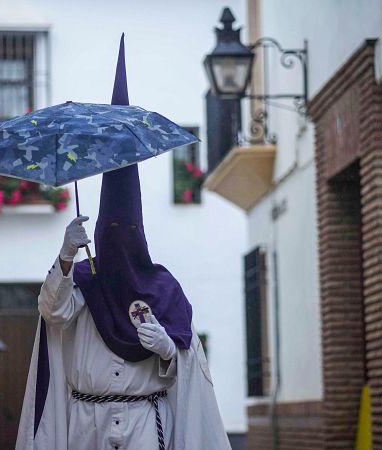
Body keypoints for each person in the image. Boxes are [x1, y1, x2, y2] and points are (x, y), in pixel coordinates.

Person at [15, 36, 230, 450]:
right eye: (110, 233)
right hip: (85, 424)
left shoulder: (163, 289)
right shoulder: (83, 281)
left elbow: (188, 362)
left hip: (144, 425)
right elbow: (53, 312)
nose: (119, 243)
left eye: (128, 233)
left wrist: (168, 349)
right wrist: (65, 255)